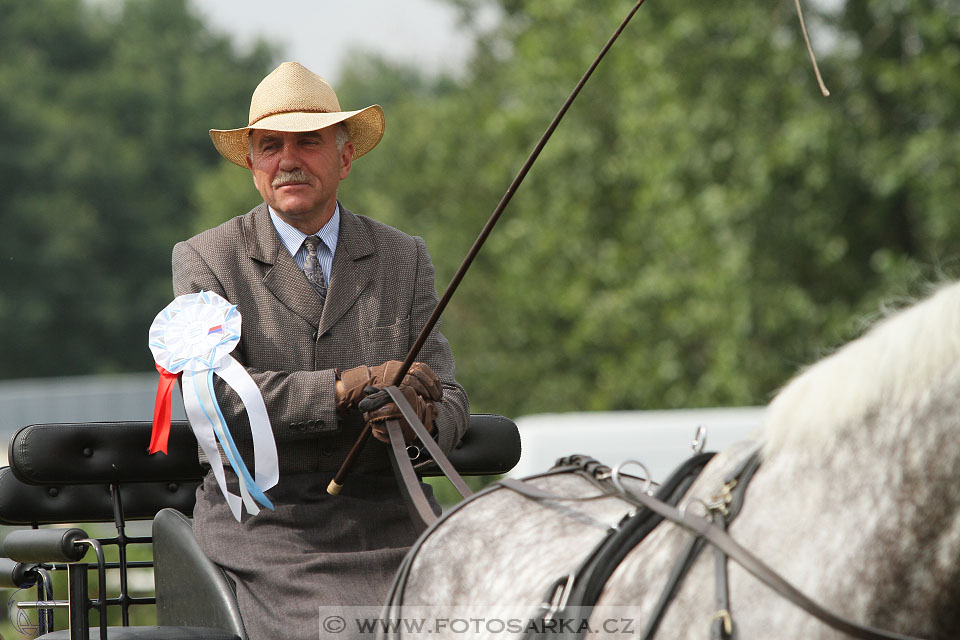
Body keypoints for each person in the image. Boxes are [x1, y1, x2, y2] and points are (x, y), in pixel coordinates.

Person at [171, 61, 469, 640]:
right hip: (273, 525)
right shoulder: (207, 259)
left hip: (394, 513)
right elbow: (221, 402)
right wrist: (347, 387)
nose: (288, 160)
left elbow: (451, 394)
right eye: (270, 146)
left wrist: (420, 412)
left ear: (345, 158)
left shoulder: (401, 256)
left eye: (308, 143)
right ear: (254, 166)